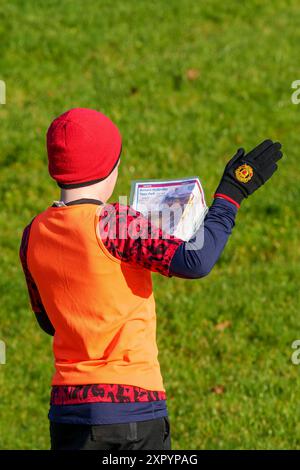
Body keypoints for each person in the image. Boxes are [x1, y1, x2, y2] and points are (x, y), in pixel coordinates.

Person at [19, 108, 283, 450]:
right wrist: (231, 194)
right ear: (110, 167)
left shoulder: (32, 234)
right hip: (133, 409)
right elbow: (196, 260)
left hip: (67, 412)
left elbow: (49, 322)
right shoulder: (113, 222)